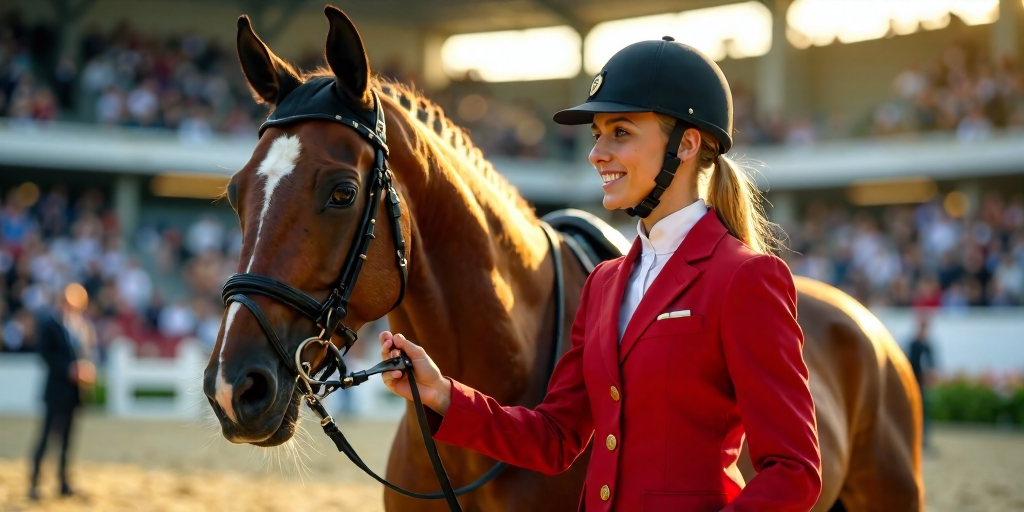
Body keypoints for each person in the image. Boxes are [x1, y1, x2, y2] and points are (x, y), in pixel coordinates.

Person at [380, 38, 822, 511]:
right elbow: (556, 438)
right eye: (597, 134)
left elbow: (793, 472)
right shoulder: (604, 282)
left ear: (687, 144)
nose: (597, 153)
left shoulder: (746, 278)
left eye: (621, 132)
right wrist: (443, 394)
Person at [29, 283, 96, 501]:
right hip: (57, 389)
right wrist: (68, 369)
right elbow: (44, 353)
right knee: (46, 437)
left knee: (68, 439)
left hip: (75, 391)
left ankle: (63, 482)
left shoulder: (81, 326)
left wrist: (86, 369)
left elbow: (86, 353)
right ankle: (34, 483)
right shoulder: (51, 324)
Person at [906, 315, 937, 450]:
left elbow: (932, 364)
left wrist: (931, 375)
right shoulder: (914, 344)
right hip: (914, 383)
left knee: (924, 411)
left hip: (922, 384)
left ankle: (923, 439)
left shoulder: (927, 345)